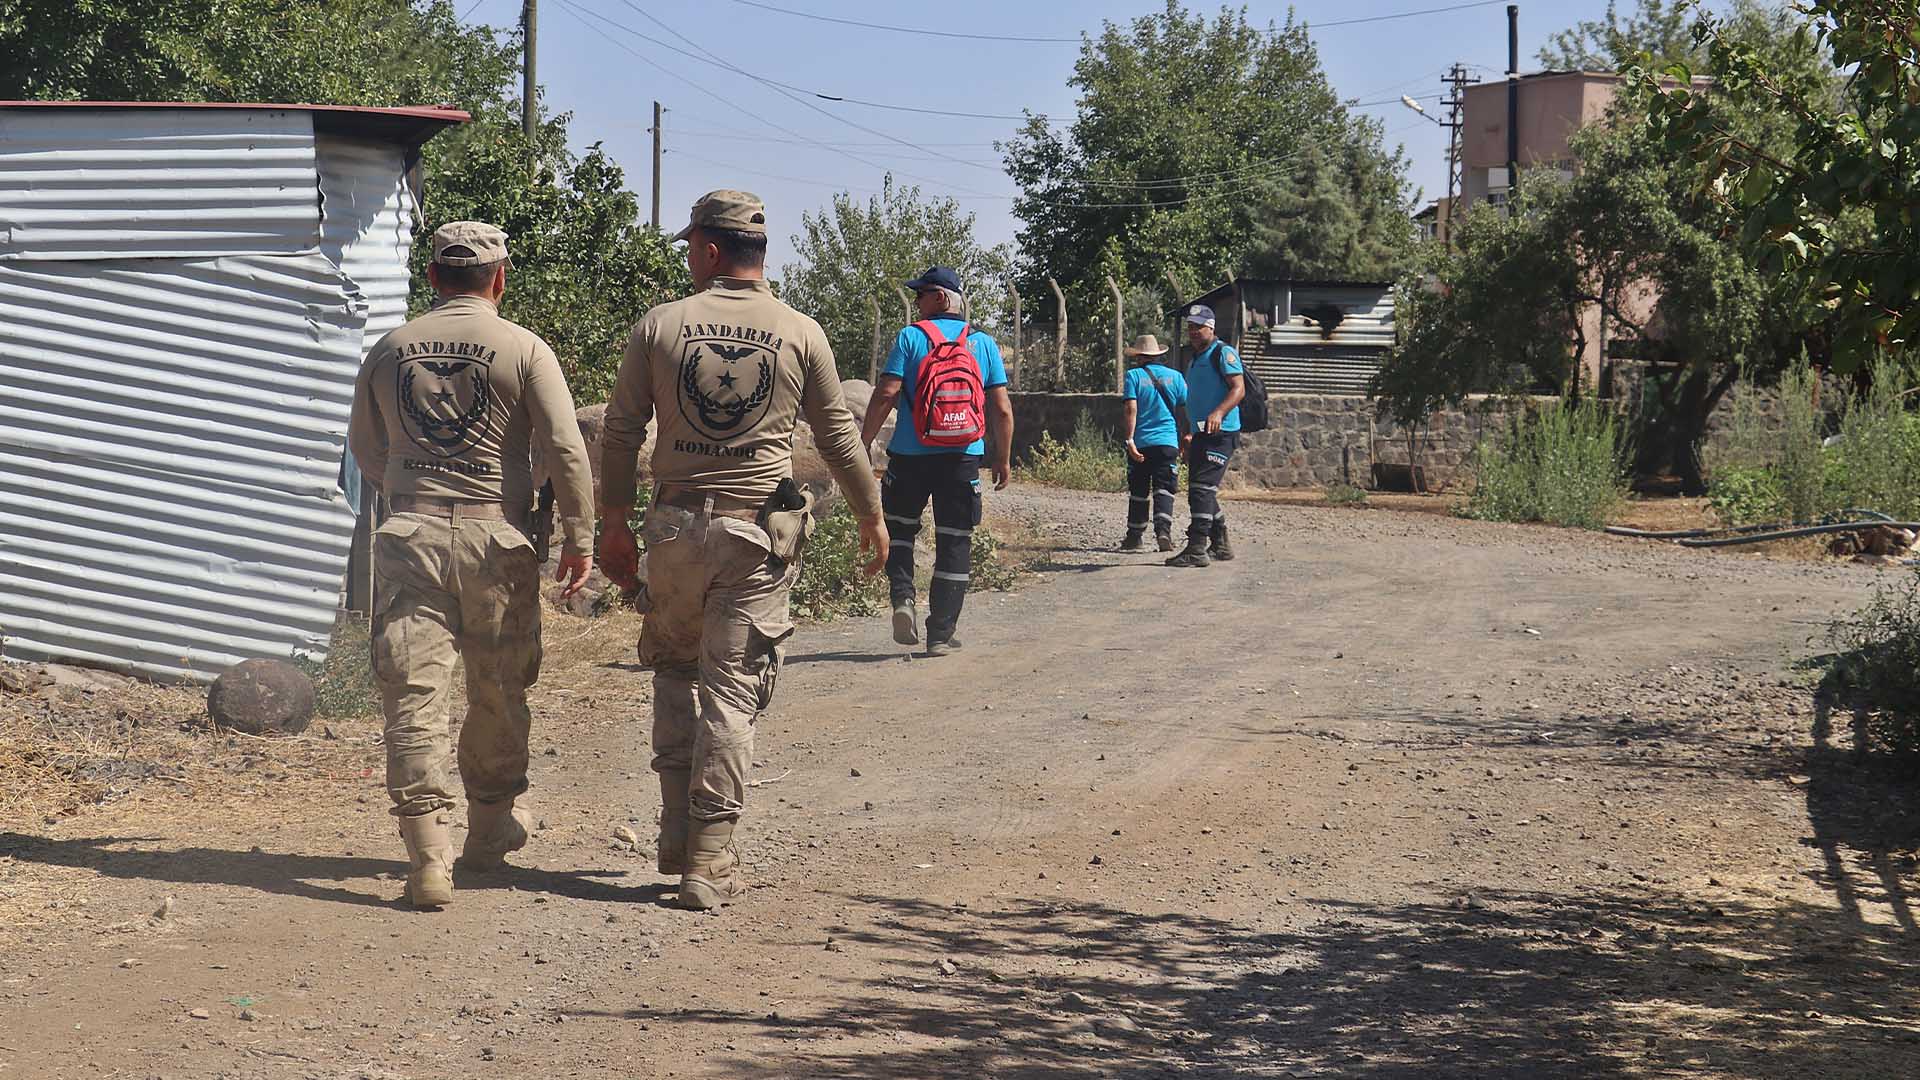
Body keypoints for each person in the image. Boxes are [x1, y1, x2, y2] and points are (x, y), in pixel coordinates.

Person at [597, 190, 885, 911]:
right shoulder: (800, 332)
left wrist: (613, 524)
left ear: (712, 251)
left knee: (672, 670)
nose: (691, 255)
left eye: (693, 244)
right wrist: (871, 517)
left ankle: (672, 832)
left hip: (671, 532)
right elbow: (840, 439)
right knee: (730, 694)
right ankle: (709, 859)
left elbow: (623, 432)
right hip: (757, 537)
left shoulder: (661, 326)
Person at [347, 221, 596, 909]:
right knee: (497, 688)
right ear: (500, 277)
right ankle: (486, 834)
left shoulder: (391, 348)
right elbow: (568, 451)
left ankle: (428, 860)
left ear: (432, 278)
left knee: (412, 692)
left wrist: (409, 496)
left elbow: (365, 448)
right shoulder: (523, 348)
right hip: (497, 538)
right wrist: (579, 538)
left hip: (409, 532)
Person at [858, 267, 1014, 656]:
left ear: (941, 298)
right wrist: (1002, 458)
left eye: (922, 295)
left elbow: (886, 393)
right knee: (955, 542)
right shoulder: (983, 344)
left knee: (900, 533)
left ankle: (903, 601)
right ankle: (941, 633)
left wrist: (863, 442)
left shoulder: (911, 337)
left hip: (909, 459)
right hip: (962, 458)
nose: (917, 303)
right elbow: (1002, 410)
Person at [1167, 304, 1245, 568]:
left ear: (1211, 328)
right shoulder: (1196, 358)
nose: (1193, 331)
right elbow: (1194, 399)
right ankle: (1221, 544)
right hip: (1200, 432)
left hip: (1221, 433)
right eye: (1190, 327)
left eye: (1198, 327)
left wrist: (1219, 413)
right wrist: (1188, 432)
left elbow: (1238, 389)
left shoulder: (1224, 353)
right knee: (1201, 491)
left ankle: (1197, 548)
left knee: (1201, 490)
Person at [1119, 334, 1188, 552]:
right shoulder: (1176, 377)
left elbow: (1131, 408)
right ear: (1158, 354)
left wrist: (1129, 439)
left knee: (1139, 489)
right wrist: (1187, 435)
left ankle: (1134, 538)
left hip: (1141, 443)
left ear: (1138, 356)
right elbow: (1186, 408)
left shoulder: (1133, 376)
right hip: (1167, 442)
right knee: (1165, 488)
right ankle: (1163, 532)